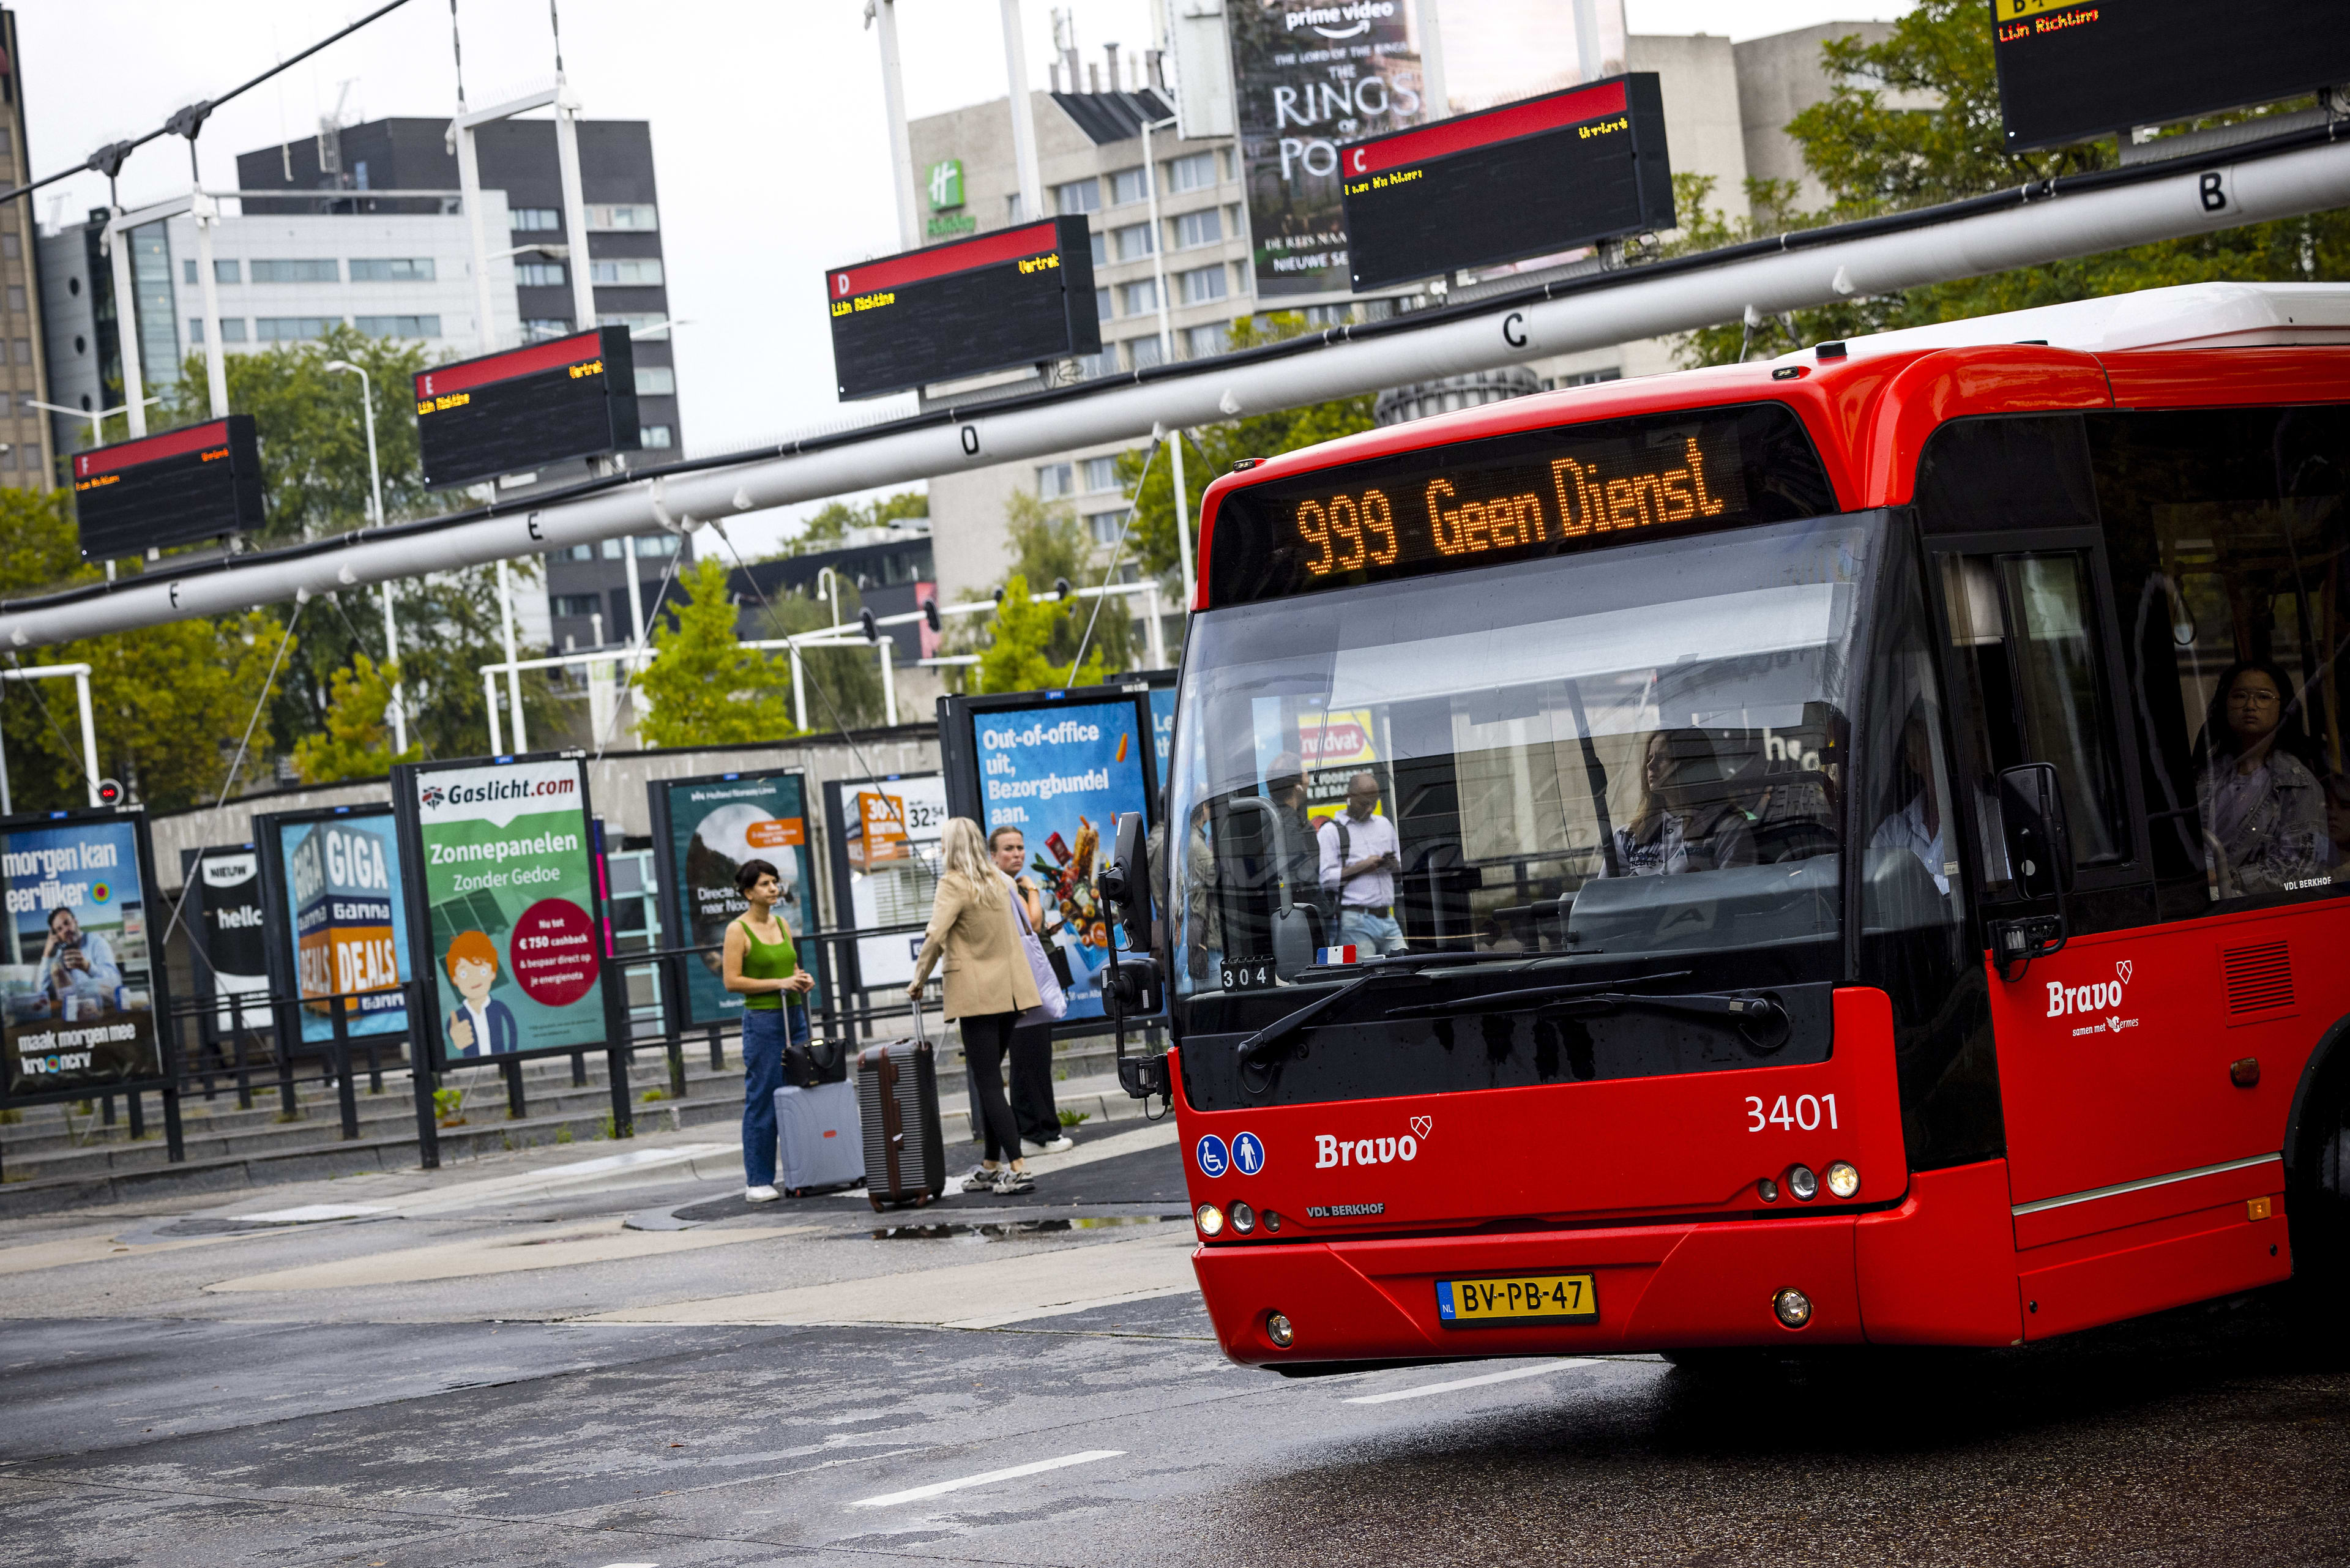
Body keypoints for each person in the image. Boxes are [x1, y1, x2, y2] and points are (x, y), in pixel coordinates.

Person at [910, 817, 1043, 1195]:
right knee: (990, 1079)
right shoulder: (998, 882)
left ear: (948, 846)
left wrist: (918, 980)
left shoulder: (954, 883)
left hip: (977, 994)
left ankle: (1018, 1167)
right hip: (1011, 992)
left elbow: (936, 935)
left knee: (986, 1080)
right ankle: (990, 1163)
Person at [722, 857, 816, 1204]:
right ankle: (758, 1180)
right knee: (763, 1097)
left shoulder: (781, 923)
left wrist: (801, 979)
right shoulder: (738, 930)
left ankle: (807, 1172)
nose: (774, 888)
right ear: (748, 892)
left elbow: (791, 967)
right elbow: (732, 981)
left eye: (775, 882)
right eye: (764, 884)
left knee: (805, 1090)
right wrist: (780, 982)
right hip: (763, 1023)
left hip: (795, 1016)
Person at [2197, 659, 2329, 897]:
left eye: (2264, 696)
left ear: (2283, 707)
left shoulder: (2298, 785)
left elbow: (2300, 869)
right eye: (2239, 696)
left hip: (2249, 904)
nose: (2250, 705)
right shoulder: (2203, 775)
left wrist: (2225, 877)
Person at [989, 824, 1072, 1157]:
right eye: (1008, 849)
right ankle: (1040, 1133)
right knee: (1030, 1059)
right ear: (993, 855)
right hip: (1022, 985)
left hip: (1026, 982)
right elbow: (1032, 924)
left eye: (1020, 847)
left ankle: (1036, 1130)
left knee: (1031, 1060)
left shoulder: (1008, 885)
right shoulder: (1008, 885)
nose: (1017, 854)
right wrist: (1034, 889)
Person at [1606, 729, 1756, 877]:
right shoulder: (1627, 836)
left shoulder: (1727, 829)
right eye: (1649, 758)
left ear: (1691, 766)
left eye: (1663, 757)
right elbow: (1607, 897)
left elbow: (1734, 894)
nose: (1650, 765)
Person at [1318, 771, 1406, 955]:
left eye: (1374, 803)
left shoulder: (1384, 825)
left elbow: (1401, 870)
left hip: (1387, 917)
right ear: (1348, 798)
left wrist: (1392, 865)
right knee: (1365, 975)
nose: (1369, 809)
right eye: (1364, 803)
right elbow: (1326, 879)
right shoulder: (1331, 831)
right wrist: (1363, 867)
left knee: (1405, 968)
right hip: (1355, 919)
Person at [1870, 710, 1952, 894]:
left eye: (1947, 749)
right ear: (1914, 762)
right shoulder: (1892, 831)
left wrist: (1918, 884)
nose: (1944, 761)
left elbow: (1995, 885)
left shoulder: (1990, 818)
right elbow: (1877, 892)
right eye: (1932, 751)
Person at [442, 931, 517, 1058]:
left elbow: (512, 1032)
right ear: (455, 979)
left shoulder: (499, 1008)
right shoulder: (458, 1017)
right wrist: (455, 1037)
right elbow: (453, 1034)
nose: (474, 979)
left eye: (482, 970)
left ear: (493, 973)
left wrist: (510, 1058)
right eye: (464, 974)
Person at [40, 907, 122, 1013]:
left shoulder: (97, 942)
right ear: (57, 936)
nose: (65, 930)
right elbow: (44, 992)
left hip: (106, 1011)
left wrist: (88, 967)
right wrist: (47, 955)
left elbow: (115, 981)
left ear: (76, 921)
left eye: (67, 923)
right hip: (77, 1014)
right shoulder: (60, 955)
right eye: (59, 929)